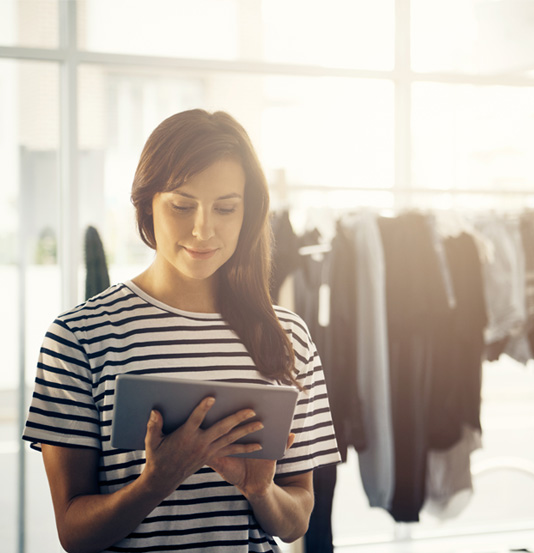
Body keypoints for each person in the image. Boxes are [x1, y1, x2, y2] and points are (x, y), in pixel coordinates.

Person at [23, 109, 340, 553]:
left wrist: (261, 491)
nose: (203, 229)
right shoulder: (78, 338)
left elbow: (296, 520)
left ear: (248, 213)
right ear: (146, 205)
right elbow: (73, 534)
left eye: (226, 208)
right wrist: (155, 483)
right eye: (182, 205)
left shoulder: (288, 336)